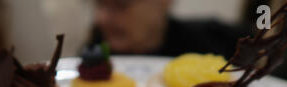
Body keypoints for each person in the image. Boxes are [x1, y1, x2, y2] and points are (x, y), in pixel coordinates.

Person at [86, 0, 250, 59]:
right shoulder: (95, 48)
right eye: (99, 4)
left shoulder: (218, 40)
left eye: (120, 5)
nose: (101, 18)